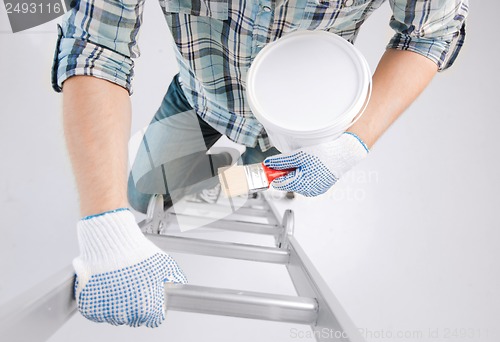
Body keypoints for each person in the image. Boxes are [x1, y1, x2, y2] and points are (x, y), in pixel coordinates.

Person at [52, 0, 468, 328]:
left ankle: (242, 173)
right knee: (139, 194)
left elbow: (432, 33)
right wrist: (105, 224)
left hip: (297, 122)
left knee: (245, 182)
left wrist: (350, 145)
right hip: (199, 99)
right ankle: (224, 170)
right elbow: (96, 43)